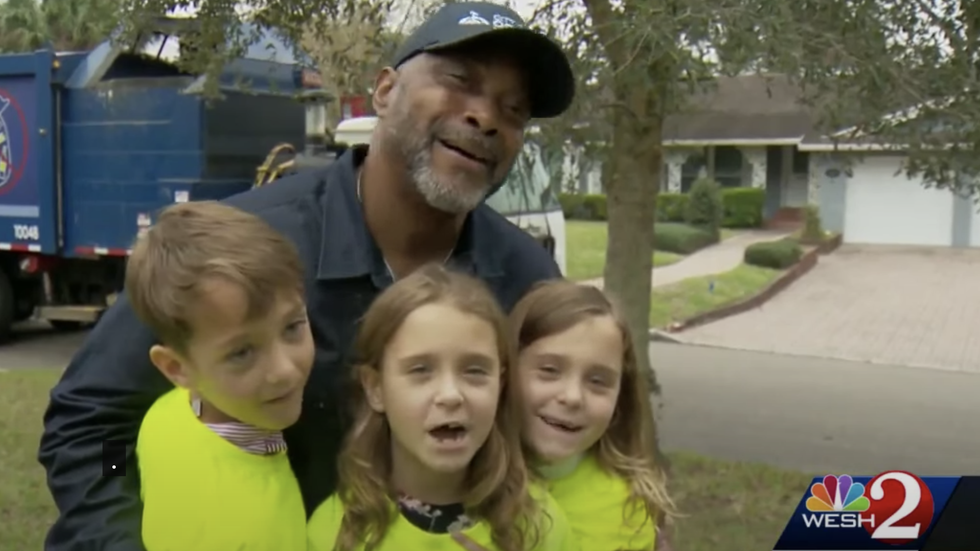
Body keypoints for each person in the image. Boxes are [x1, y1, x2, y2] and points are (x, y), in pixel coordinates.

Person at [37, 2, 575, 550]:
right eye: (460, 82)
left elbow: (569, 441)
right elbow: (96, 424)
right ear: (385, 91)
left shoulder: (526, 282)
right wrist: (122, 524)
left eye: (514, 110)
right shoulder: (239, 257)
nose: (486, 117)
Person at [307, 264, 571, 550]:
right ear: (375, 388)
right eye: (421, 370)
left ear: (501, 383)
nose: (450, 395)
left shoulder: (539, 525)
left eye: (475, 371)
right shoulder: (335, 531)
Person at [127, 201, 312, 550]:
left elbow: (113, 451)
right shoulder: (246, 531)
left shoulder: (164, 411)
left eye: (292, 327)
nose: (285, 369)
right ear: (177, 368)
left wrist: (117, 482)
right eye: (242, 353)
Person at [509, 280, 677, 550]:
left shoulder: (628, 510)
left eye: (598, 381)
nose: (573, 396)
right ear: (505, 369)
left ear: (620, 398)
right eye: (549, 370)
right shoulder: (456, 485)